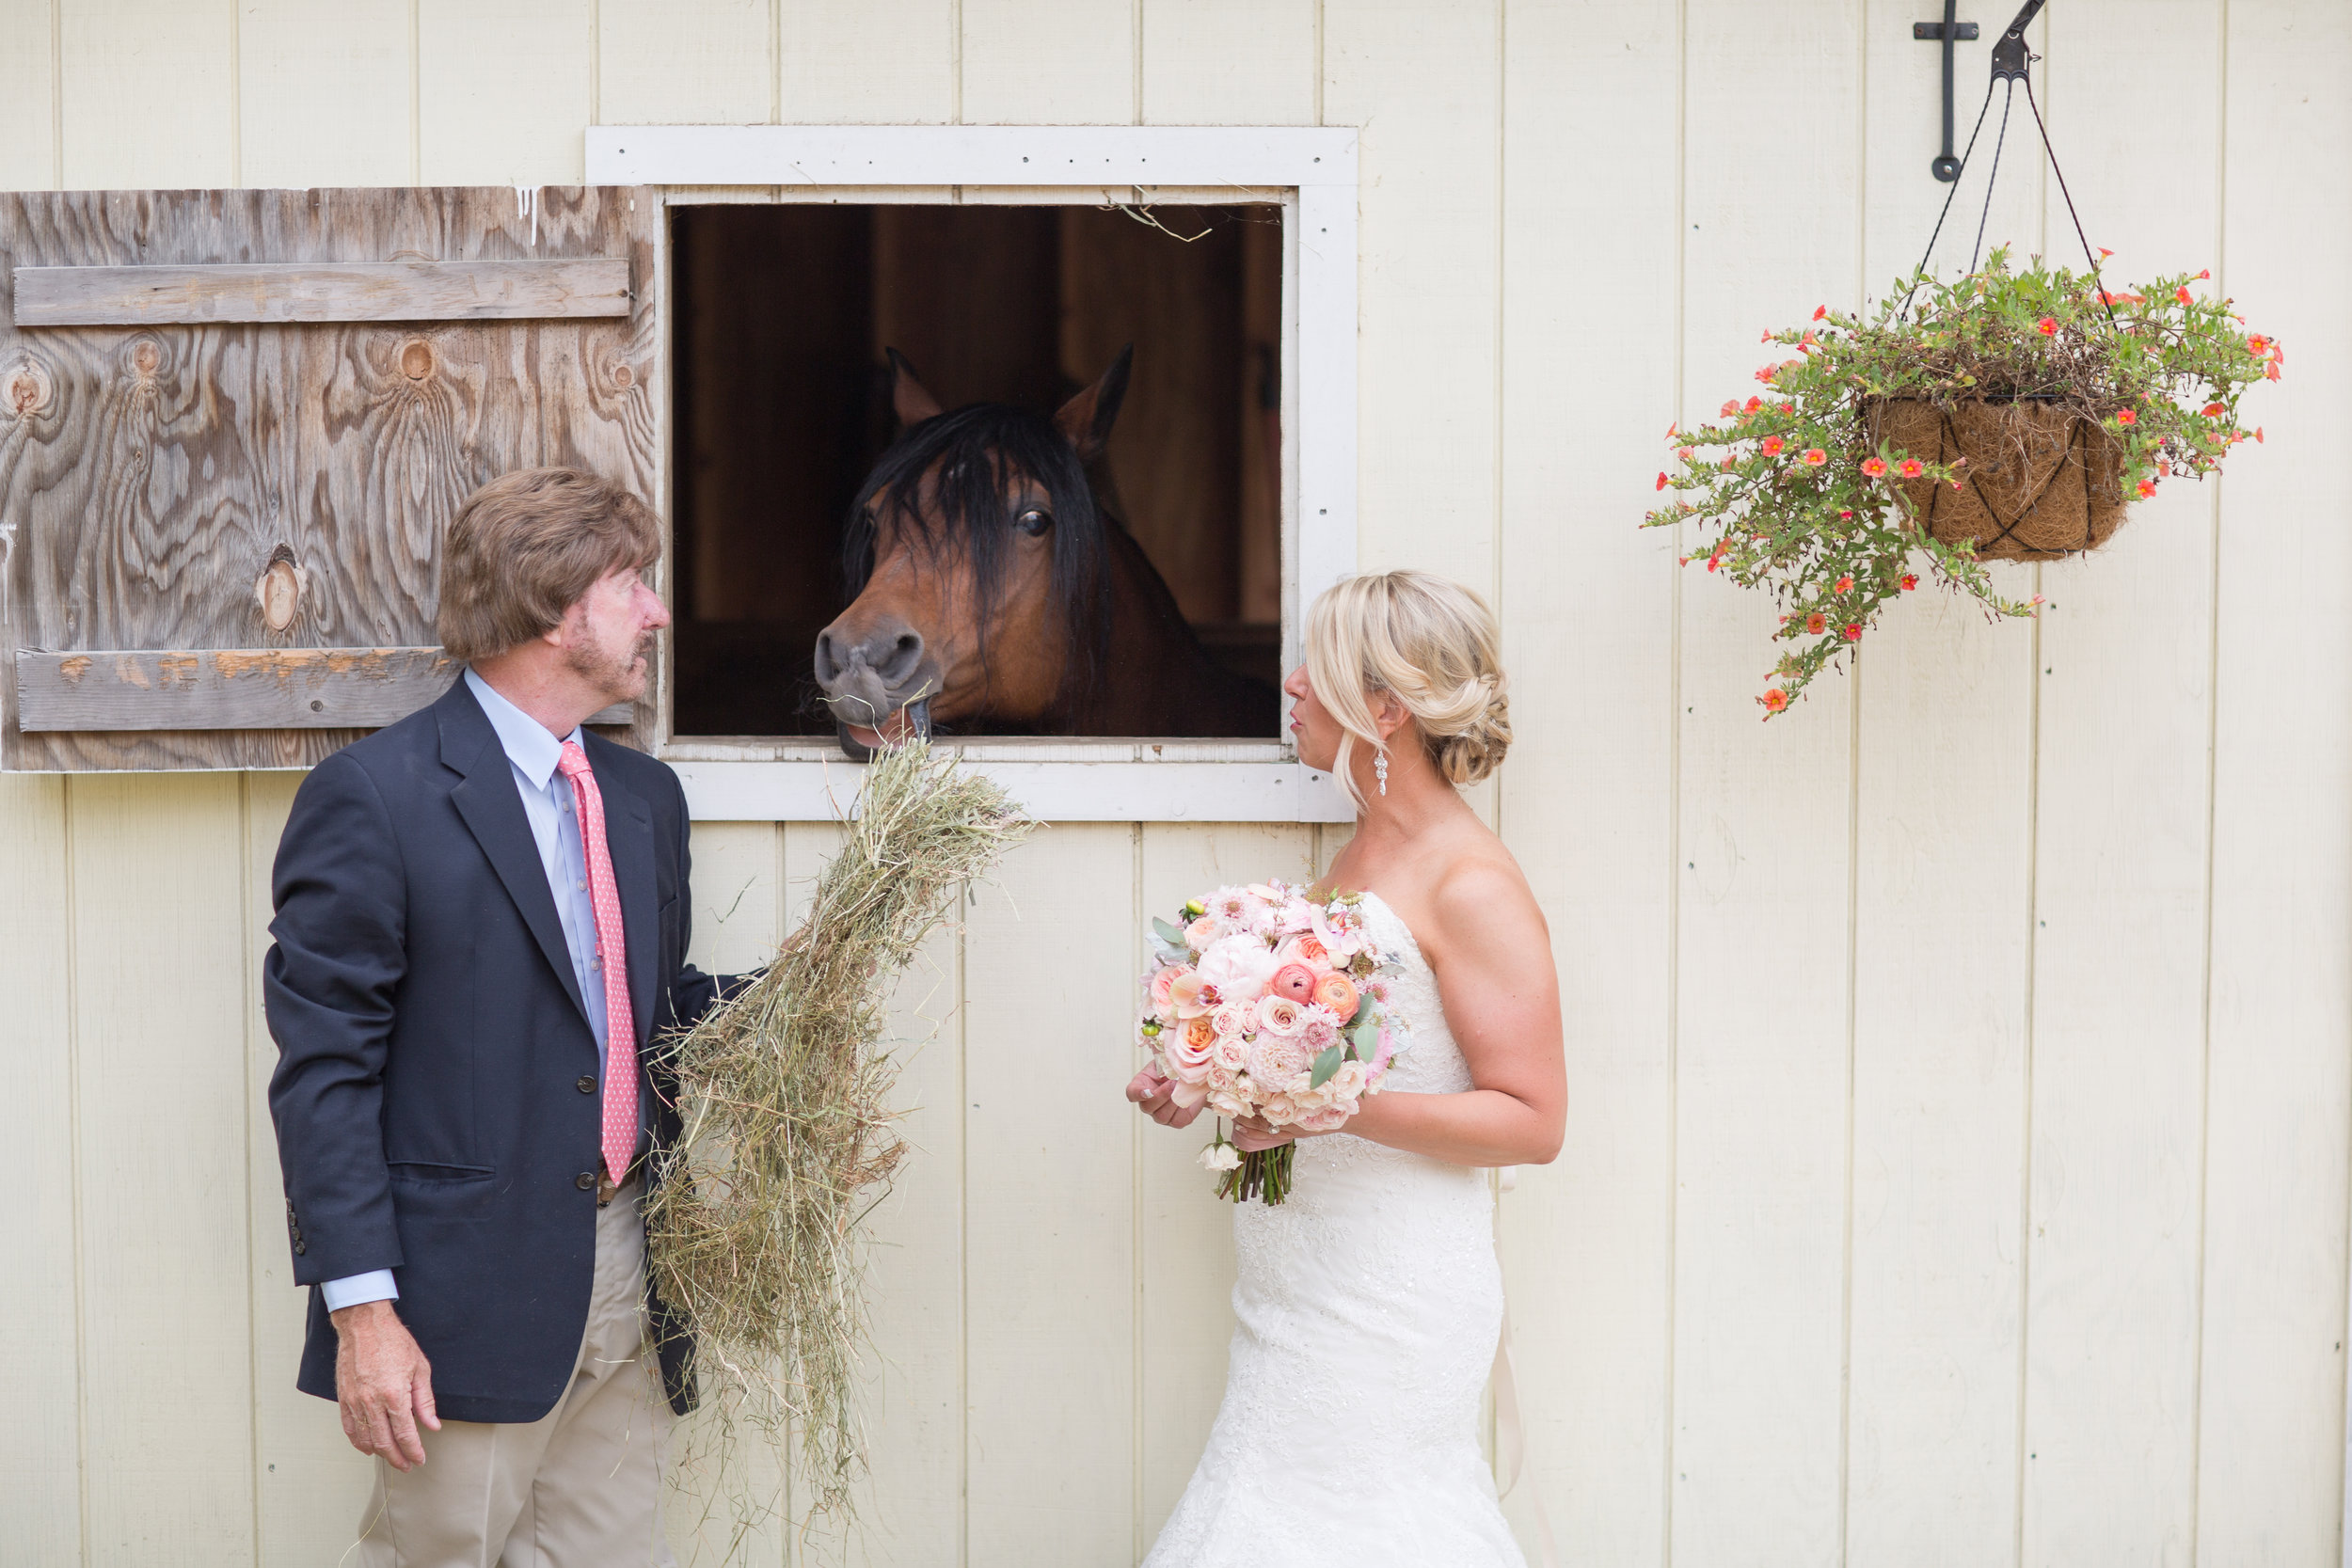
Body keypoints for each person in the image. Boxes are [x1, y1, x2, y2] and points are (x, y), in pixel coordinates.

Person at [265, 467, 738, 1566]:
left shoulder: (641, 797)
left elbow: (645, 1011)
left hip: (626, 1263)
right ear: (556, 606)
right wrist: (362, 1314)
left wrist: (805, 996)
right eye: (634, 584)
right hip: (455, 1297)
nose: (657, 612)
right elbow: (325, 1072)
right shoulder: (375, 799)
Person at [1126, 568, 1565, 1567]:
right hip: (1297, 1277)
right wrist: (1208, 1078)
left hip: (1391, 1291)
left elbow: (1534, 1119)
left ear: (1385, 707)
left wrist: (1332, 1108)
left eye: (1311, 668)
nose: (1286, 685)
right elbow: (1329, 1058)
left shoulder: (1473, 883)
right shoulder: (1356, 858)